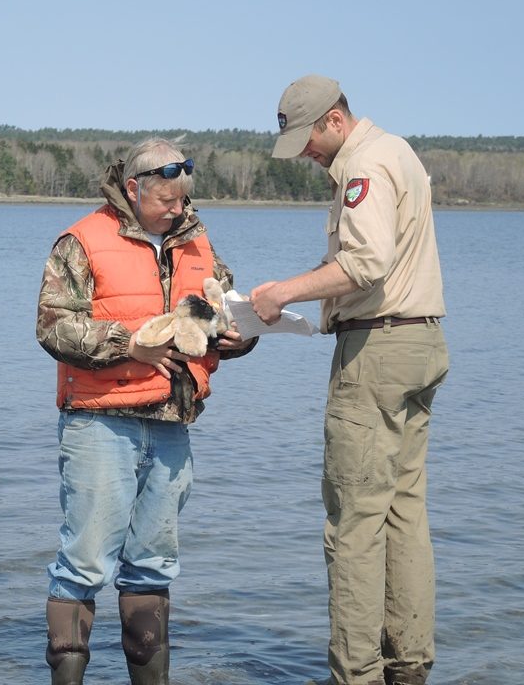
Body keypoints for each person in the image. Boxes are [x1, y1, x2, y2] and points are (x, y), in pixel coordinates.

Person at [250, 76, 449, 685]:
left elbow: (366, 262)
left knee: (354, 523)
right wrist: (303, 295)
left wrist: (283, 291)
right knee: (403, 513)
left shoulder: (364, 165)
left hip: (378, 354)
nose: (306, 155)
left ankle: (356, 675)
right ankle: (409, 666)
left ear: (335, 119)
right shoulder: (399, 152)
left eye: (307, 140)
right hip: (420, 343)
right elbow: (367, 261)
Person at [36, 137, 256, 685]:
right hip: (99, 421)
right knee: (84, 563)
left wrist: (237, 338)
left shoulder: (197, 242)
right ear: (133, 190)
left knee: (153, 566)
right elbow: (52, 327)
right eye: (167, 201)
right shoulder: (81, 240)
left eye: (184, 200)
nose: (178, 210)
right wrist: (129, 345)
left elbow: (225, 314)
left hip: (172, 426)